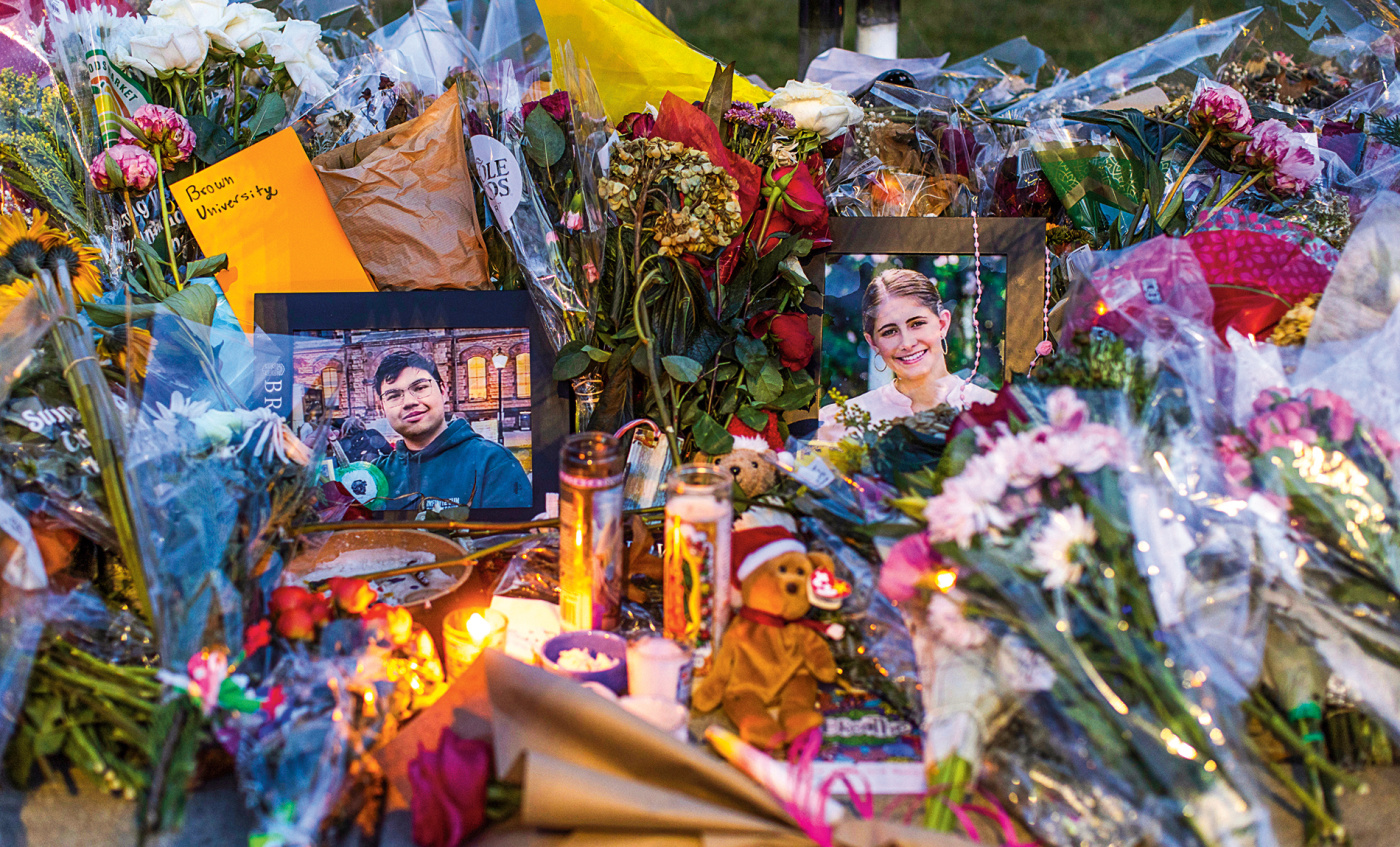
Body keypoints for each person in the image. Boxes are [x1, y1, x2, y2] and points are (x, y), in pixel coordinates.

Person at [817, 268, 996, 441]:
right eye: (889, 332)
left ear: (942, 324)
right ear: (872, 343)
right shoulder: (841, 424)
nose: (907, 343)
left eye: (917, 324)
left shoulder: (995, 411)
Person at [371, 349, 531, 510]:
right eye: (393, 396)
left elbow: (508, 534)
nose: (409, 402)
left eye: (420, 388)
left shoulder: (492, 462)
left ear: (443, 391)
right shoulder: (374, 477)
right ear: (382, 408)